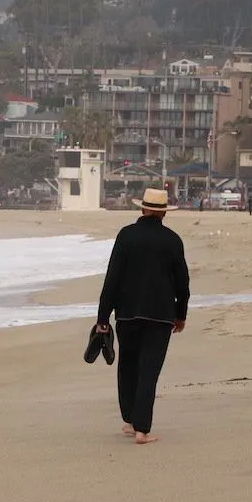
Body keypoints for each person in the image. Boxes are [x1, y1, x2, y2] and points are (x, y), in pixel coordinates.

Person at [95, 188, 191, 445]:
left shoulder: (126, 236)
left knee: (127, 366)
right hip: (160, 316)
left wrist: (103, 317)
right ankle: (142, 429)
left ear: (142, 209)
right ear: (163, 214)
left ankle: (130, 419)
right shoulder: (172, 240)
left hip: (127, 314)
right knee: (149, 370)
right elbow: (183, 282)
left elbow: (112, 278)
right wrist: (180, 314)